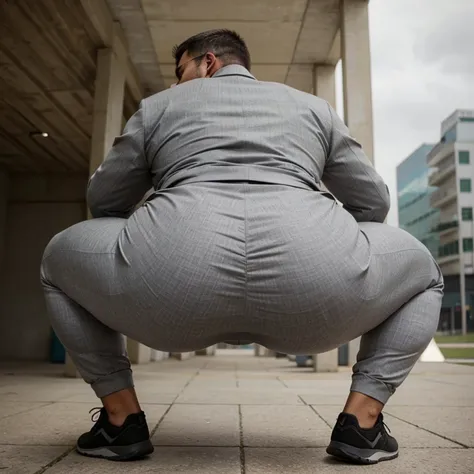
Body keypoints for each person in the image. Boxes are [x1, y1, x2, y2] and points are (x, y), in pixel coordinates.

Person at [40, 29, 443, 464]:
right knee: (425, 274)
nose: (177, 86)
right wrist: (335, 248)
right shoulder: (315, 109)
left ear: (207, 63)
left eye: (181, 73)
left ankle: (121, 422)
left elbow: (104, 201)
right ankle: (361, 423)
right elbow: (373, 202)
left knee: (57, 258)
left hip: (170, 292)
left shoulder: (158, 107)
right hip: (313, 297)